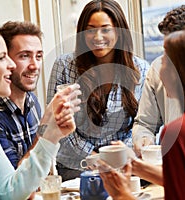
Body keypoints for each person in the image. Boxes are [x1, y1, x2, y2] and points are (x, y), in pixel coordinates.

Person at [99, 24, 185, 200]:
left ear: (181, 72)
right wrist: (134, 164)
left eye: (165, 61)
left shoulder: (182, 132)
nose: (159, 69)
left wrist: (121, 194)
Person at [0, 22, 81, 199]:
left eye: (38, 56)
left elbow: (10, 190)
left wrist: (51, 135)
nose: (11, 64)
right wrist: (45, 127)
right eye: (2, 58)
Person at [46, 0, 150, 181]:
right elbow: (55, 122)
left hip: (124, 166)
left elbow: (143, 124)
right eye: (91, 29)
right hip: (77, 168)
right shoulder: (64, 66)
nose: (97, 36)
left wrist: (116, 157)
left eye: (105, 29)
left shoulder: (140, 70)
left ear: (119, 31)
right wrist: (95, 158)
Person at [132, 4, 185, 156]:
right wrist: (143, 139)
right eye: (166, 51)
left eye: (175, 53)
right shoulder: (158, 68)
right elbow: (144, 123)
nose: (166, 63)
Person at [0, 21, 44, 169]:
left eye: (38, 56)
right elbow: (13, 184)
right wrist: (47, 130)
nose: (34, 66)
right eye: (25, 56)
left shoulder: (32, 101)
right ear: (5, 60)